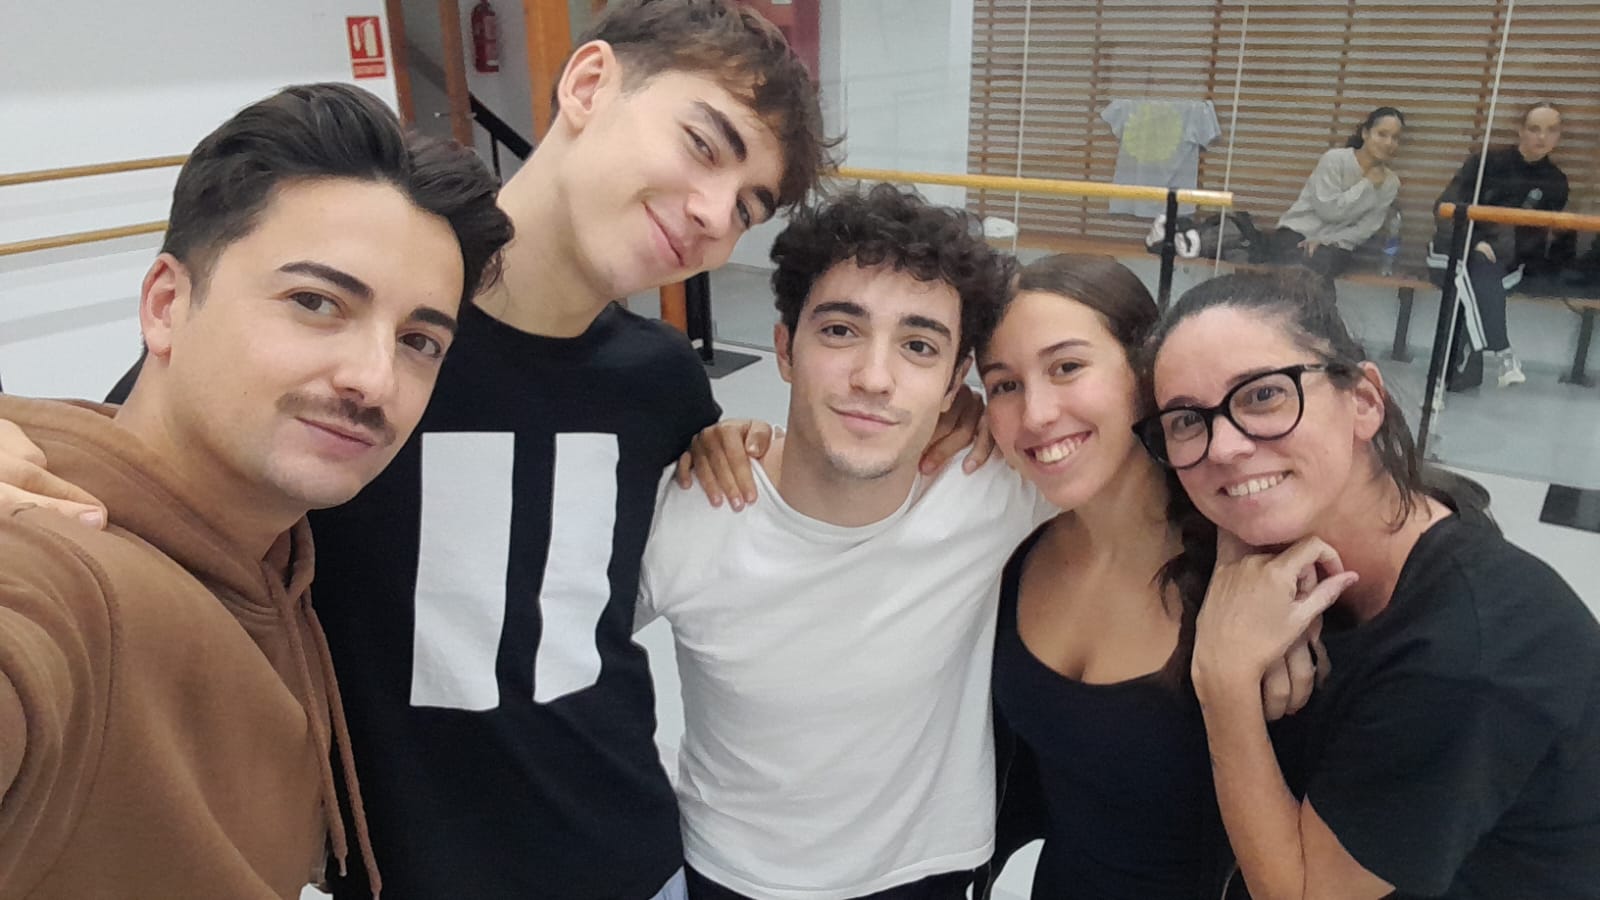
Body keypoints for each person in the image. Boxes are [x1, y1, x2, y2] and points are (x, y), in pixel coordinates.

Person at [0, 3, 833, 898]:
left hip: (625, 852)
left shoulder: (662, 383)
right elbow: (119, 473)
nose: (713, 214)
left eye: (748, 208)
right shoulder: (329, 370)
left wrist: (746, 439)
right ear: (589, 84)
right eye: (701, 144)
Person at [0, 84, 511, 899]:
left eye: (418, 341)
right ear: (166, 305)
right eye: (316, 302)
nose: (374, 380)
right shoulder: (60, 572)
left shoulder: (271, 563)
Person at [638, 184, 1050, 899]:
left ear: (954, 383)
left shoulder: (992, 489)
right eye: (839, 331)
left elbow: (1141, 461)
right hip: (731, 874)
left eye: (918, 346)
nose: (874, 378)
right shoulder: (692, 510)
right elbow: (542, 671)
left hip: (928, 873)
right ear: (784, 349)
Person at [1142, 269, 1600, 898]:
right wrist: (1236, 556)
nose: (1223, 447)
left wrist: (1223, 679)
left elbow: (1303, 894)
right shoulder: (1338, 547)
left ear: (1363, 401)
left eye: (1263, 395)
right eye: (1187, 421)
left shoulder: (1469, 651)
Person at [978, 255, 1259, 898]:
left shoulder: (1247, 572)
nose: (1036, 414)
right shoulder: (1013, 551)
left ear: (1145, 372)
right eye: (1004, 385)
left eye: (1067, 367)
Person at [1429, 101, 1574, 390]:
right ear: (1520, 130)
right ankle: (1502, 351)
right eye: (1534, 128)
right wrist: (1474, 242)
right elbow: (1445, 209)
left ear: (1559, 135)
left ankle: (1453, 372)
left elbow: (1535, 238)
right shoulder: (1485, 163)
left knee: (1476, 281)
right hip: (1452, 252)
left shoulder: (1556, 182)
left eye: (1551, 130)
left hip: (1502, 265)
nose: (1541, 137)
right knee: (1473, 271)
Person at [1270, 107, 1404, 281]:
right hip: (1297, 234)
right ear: (1365, 133)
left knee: (1320, 265)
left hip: (1336, 245)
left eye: (1395, 138)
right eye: (1382, 134)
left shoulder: (1390, 183)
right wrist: (1367, 184)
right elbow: (1329, 211)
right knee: (1299, 269)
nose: (1388, 143)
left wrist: (1326, 241)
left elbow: (1365, 229)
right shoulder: (1335, 160)